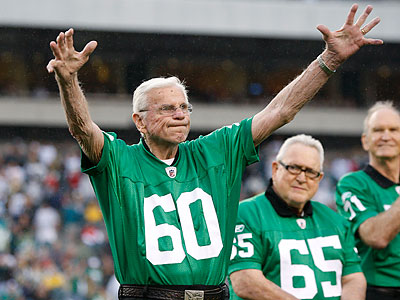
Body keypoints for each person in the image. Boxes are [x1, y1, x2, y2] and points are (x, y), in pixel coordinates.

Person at [46, 4, 382, 300]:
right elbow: (82, 129)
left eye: (184, 107)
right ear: (140, 121)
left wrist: (329, 60)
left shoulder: (217, 150)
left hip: (214, 294)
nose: (179, 114)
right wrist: (67, 80)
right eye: (166, 108)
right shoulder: (120, 160)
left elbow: (281, 111)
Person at [229, 134, 366, 300]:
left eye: (310, 172)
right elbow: (245, 281)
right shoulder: (246, 214)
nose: (301, 178)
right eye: (294, 168)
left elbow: (354, 278)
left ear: (319, 178)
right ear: (275, 169)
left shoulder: (336, 221)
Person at [335, 101, 400, 300]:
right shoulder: (353, 184)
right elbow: (376, 236)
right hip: (378, 291)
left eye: (394, 130)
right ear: (365, 140)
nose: (386, 136)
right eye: (378, 130)